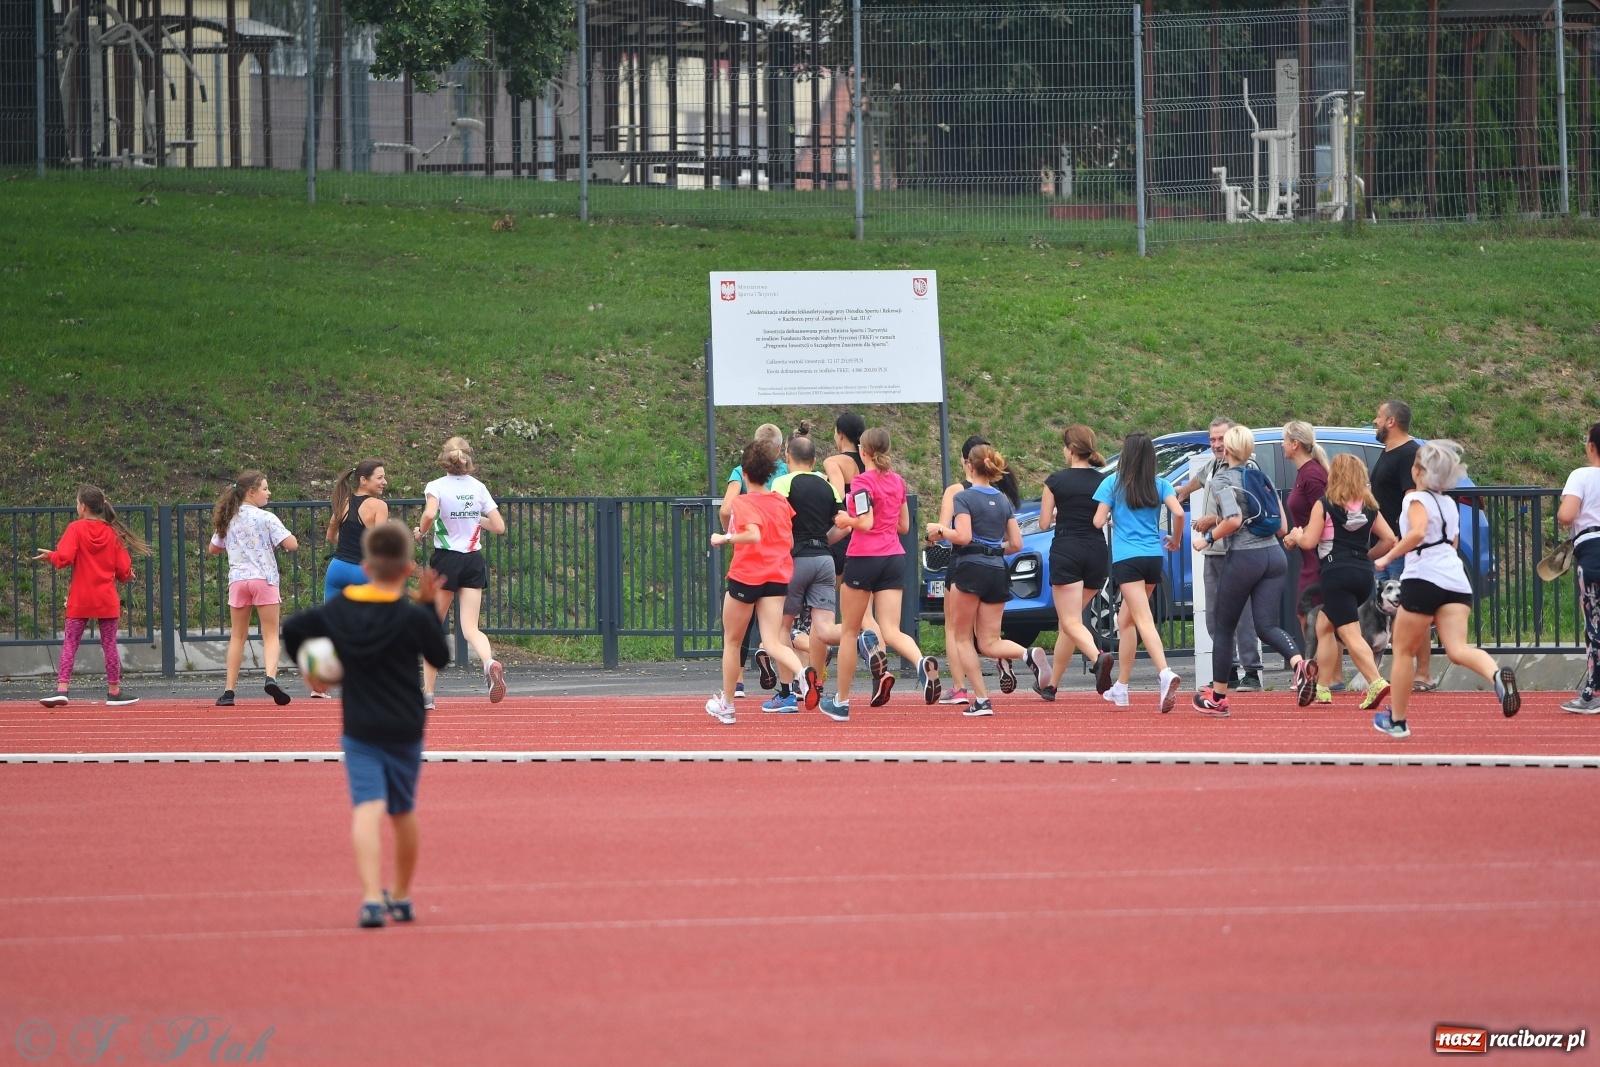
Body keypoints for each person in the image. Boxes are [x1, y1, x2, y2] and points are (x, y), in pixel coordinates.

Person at [283, 521, 451, 928]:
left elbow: (292, 629)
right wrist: (428, 607)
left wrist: (313, 668)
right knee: (402, 810)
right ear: (408, 569)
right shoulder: (411, 617)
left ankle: (372, 898)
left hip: (360, 726)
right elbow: (439, 657)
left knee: (366, 807)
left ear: (365, 566)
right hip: (405, 726)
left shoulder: (338, 610)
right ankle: (403, 894)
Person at [1371, 440, 1519, 738]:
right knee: (1458, 649)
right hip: (1456, 581)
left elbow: (1417, 532)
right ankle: (1496, 677)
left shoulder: (1415, 500)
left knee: (1402, 650)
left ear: (1418, 471)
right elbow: (1451, 543)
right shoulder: (1450, 505)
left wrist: (1388, 556)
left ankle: (1397, 721)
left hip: (1424, 577)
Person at [1192, 425, 1315, 717]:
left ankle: (1218, 698)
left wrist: (1206, 539)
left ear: (1230, 449)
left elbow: (1233, 520)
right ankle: (1299, 664)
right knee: (1266, 625)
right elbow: (1282, 526)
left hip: (1246, 557)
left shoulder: (1224, 479)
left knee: (1224, 627)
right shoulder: (1262, 477)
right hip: (1275, 556)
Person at [822, 428, 941, 720]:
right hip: (893, 557)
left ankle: (842, 701)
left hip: (864, 558)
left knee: (849, 632)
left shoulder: (862, 482)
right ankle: (920, 661)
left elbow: (864, 522)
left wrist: (846, 518)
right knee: (890, 630)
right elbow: (903, 527)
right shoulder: (897, 481)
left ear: (863, 452)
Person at [1285, 453, 1398, 710]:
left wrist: (1296, 534)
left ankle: (1376, 682)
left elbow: (1310, 542)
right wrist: (1366, 556)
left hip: (1336, 574)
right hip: (1362, 575)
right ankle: (1323, 687)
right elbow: (1390, 539)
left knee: (1349, 632)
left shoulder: (1324, 504)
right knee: (1324, 626)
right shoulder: (1370, 507)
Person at [704, 439, 805, 724]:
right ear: (772, 472)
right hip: (776, 577)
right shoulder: (781, 502)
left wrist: (725, 537)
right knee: (772, 641)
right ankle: (802, 674)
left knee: (733, 641)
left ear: (745, 474)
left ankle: (727, 705)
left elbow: (753, 535)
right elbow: (789, 539)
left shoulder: (744, 501)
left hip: (747, 576)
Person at [925, 444, 1027, 716]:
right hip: (997, 569)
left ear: (969, 466)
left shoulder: (964, 496)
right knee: (990, 641)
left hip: (969, 568)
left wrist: (940, 530)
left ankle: (981, 699)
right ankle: (1028, 654)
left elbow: (963, 536)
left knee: (961, 638)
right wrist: (994, 549)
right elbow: (1016, 544)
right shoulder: (1003, 500)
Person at [1092, 431, 1184, 712]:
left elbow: (1097, 521)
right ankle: (1121, 687)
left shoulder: (1113, 483)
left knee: (1142, 618)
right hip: (1153, 558)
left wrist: (1110, 518)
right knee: (1126, 620)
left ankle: (1165, 673)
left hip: (1127, 560)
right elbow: (1179, 514)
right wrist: (1176, 539)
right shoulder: (1160, 484)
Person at [412, 436, 507, 708]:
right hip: (473, 559)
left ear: (444, 460)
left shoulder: (436, 486)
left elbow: (430, 515)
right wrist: (474, 516)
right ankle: (489, 663)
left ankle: (428, 694)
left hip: (446, 560)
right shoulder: (478, 488)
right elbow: (499, 526)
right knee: (470, 628)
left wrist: (422, 532)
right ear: (468, 460)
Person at [35, 485, 150, 708]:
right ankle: (114, 691)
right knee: (109, 644)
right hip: (106, 599)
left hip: (81, 598)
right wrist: (127, 575)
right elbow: (123, 568)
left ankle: (62, 689)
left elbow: (65, 557)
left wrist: (51, 557)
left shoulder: (75, 529)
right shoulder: (113, 533)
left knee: (70, 643)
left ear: (83, 507)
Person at [1178, 418, 1266, 691]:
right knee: (1214, 615)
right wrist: (1178, 493)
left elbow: (1245, 512)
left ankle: (1251, 672)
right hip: (1214, 552)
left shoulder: (1245, 469)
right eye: (1213, 440)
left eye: (1222, 439)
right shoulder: (1215, 465)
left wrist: (1211, 521)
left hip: (1237, 550)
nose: (1217, 445)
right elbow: (1198, 479)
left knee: (1242, 614)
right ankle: (1226, 671)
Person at [766, 426, 844, 712]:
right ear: (814, 460)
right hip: (825, 559)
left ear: (788, 456)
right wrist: (825, 540)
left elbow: (778, 523)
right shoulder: (829, 486)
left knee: (782, 628)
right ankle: (857, 640)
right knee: (823, 629)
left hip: (795, 559)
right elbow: (843, 524)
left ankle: (786, 695)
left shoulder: (782, 483)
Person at [209, 471, 299, 707]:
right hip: (264, 579)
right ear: (252, 492)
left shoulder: (229, 517)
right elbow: (292, 544)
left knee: (237, 636)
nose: (269, 493)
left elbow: (213, 548)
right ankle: (270, 677)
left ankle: (228, 691)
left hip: (238, 580)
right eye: (265, 489)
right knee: (270, 634)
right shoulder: (266, 517)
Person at [1037, 424, 1113, 699]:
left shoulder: (1055, 480)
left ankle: (1097, 658)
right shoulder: (1104, 481)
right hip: (1096, 552)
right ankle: (1051, 685)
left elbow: (1044, 523)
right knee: (1068, 624)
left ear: (1069, 450)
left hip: (1068, 550)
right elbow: (1105, 516)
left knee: (1069, 621)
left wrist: (1058, 514)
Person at [719, 422, 787, 698]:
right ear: (780, 449)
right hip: (780, 554)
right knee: (780, 625)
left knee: (737, 627)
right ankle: (792, 681)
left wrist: (730, 534)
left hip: (749, 553)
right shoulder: (783, 470)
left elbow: (726, 508)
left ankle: (735, 683)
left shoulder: (740, 472)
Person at [1371, 400, 1435, 691]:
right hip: (1387, 546)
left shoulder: (1408, 453)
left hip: (1400, 548)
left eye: (1379, 416)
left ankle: (1422, 675)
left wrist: (1401, 543)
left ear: (1391, 422)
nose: (1375, 421)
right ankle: (1405, 675)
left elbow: (1413, 502)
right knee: (1400, 613)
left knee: (1411, 611)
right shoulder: (1389, 452)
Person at [823, 411, 880, 685]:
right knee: (866, 614)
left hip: (842, 533)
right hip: (868, 539)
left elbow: (835, 496)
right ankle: (880, 661)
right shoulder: (872, 463)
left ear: (840, 434)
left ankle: (815, 675)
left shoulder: (835, 461)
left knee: (822, 608)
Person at [1558, 421, 1600, 714]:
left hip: (1593, 551)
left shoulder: (1581, 475)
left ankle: (1591, 693)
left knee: (1595, 625)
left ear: (1591, 446)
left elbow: (1567, 514)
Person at [1282, 420, 1330, 636]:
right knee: (1308, 615)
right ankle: (1318, 668)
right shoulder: (1305, 473)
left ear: (1295, 444)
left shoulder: (1312, 475)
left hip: (1319, 559)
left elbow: (1324, 514)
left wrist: (1298, 535)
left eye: (1284, 440)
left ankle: (1319, 668)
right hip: (1309, 556)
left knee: (1314, 616)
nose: (1282, 445)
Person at [325, 459, 389, 601]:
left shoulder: (343, 502)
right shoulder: (379, 506)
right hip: (363, 571)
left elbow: (330, 536)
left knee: (332, 621)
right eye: (380, 477)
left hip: (337, 568)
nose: (385, 482)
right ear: (363, 480)